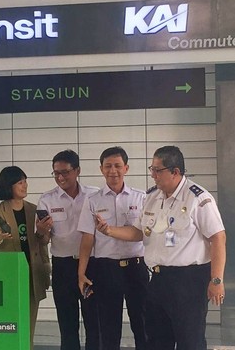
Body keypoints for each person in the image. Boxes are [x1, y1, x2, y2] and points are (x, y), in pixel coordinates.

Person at [95, 145, 226, 350]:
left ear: (175, 172)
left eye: (157, 170)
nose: (153, 175)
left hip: (188, 281)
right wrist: (109, 230)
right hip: (157, 279)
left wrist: (216, 280)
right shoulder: (152, 197)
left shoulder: (198, 198)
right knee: (156, 340)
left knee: (190, 341)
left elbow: (218, 238)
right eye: (152, 169)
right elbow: (138, 232)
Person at [77, 146, 148, 350]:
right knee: (108, 328)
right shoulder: (93, 200)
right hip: (106, 269)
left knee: (142, 323)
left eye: (117, 165)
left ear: (126, 167)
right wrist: (81, 274)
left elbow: (146, 233)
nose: (113, 170)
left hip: (136, 267)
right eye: (108, 166)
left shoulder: (140, 198)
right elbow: (87, 239)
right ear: (101, 169)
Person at [36, 150, 100, 350]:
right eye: (56, 173)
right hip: (63, 267)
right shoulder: (47, 199)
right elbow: (43, 239)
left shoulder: (94, 195)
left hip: (91, 266)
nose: (60, 177)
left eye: (65, 172)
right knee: (67, 323)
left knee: (94, 321)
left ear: (77, 170)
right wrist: (40, 231)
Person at [0, 166, 51, 350]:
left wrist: (41, 232)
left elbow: (44, 241)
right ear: (8, 186)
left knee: (29, 323)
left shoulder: (34, 210)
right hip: (10, 273)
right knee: (9, 321)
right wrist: (0, 236)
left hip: (32, 272)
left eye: (25, 181)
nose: (24, 185)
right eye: (19, 182)